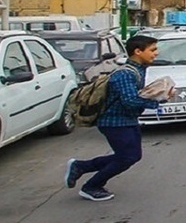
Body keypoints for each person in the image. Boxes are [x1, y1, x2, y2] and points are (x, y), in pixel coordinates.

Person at [64, 34, 171, 201]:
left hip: (127, 120)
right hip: (114, 122)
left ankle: (81, 166)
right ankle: (91, 186)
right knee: (127, 157)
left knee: (131, 156)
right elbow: (130, 101)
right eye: (152, 50)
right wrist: (158, 101)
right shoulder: (125, 74)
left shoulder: (138, 69)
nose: (156, 53)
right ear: (138, 51)